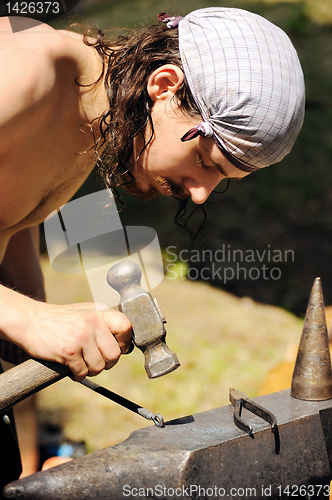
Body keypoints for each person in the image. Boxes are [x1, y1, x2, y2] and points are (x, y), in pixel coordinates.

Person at [0, 6, 305, 490]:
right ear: (164, 86)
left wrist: (25, 463)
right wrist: (27, 319)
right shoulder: (22, 74)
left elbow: (10, 244)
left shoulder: (91, 119)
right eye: (205, 160)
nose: (202, 192)